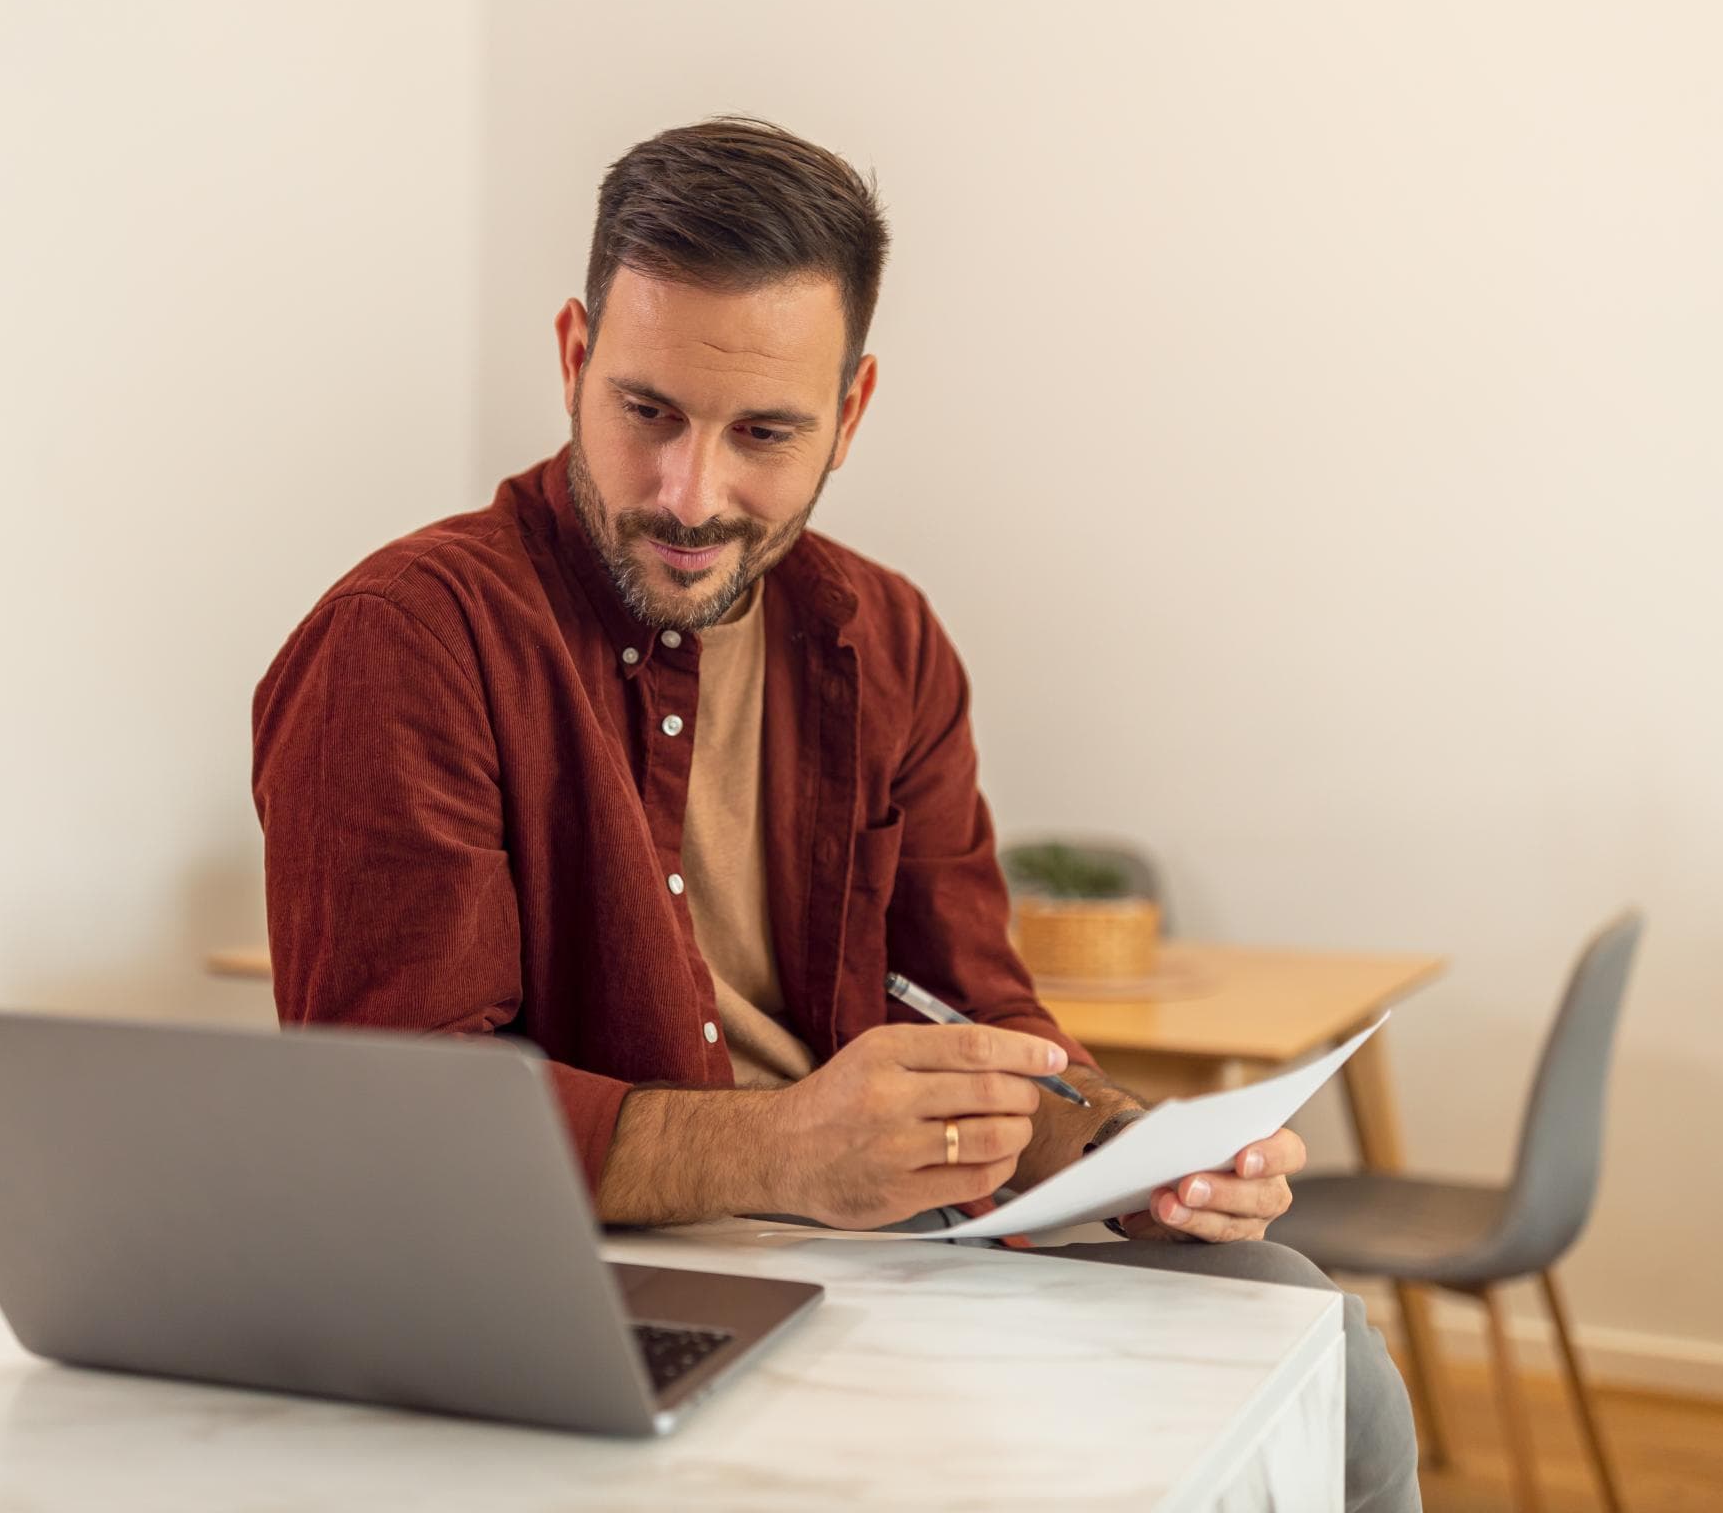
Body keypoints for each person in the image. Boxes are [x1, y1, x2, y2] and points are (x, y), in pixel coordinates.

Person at [253, 117, 1418, 1511]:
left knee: (1299, 1323)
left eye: (763, 434)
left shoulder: (889, 638)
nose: (692, 493)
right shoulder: (407, 641)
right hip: (581, 1292)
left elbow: (980, 1012)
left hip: (886, 1251)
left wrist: (1124, 1155)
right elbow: (395, 1121)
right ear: (573, 358)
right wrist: (787, 1149)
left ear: (851, 414)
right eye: (647, 414)